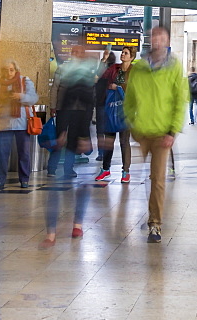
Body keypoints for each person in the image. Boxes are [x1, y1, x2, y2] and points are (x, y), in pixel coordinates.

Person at [123, 26, 188, 243]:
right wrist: (132, 124)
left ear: (167, 41)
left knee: (157, 179)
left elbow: (180, 100)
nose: (158, 41)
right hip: (142, 132)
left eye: (162, 38)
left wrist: (172, 131)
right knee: (146, 178)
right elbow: (129, 98)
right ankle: (152, 213)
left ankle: (155, 224)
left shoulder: (174, 67)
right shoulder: (139, 67)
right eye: (155, 37)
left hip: (162, 134)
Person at [41, 44, 96, 247]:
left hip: (78, 124)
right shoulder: (65, 70)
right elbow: (57, 90)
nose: (77, 56)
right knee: (60, 149)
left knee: (81, 184)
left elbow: (90, 103)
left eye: (80, 52)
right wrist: (54, 108)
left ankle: (76, 224)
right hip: (66, 119)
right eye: (75, 52)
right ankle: (54, 168)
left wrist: (88, 132)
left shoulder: (86, 75)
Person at [0, 60, 38, 190]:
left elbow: (33, 98)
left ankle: (24, 179)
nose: (8, 73)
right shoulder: (0, 84)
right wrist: (2, 98)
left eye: (11, 69)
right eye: (6, 70)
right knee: (2, 153)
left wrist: (20, 96)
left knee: (24, 153)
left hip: (21, 123)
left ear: (16, 70)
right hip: (4, 122)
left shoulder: (24, 81)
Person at [96, 47, 134, 182]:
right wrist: (104, 60)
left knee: (124, 141)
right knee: (109, 141)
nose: (122, 55)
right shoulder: (114, 68)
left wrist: (118, 87)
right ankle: (105, 169)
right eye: (122, 53)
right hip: (112, 109)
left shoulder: (134, 72)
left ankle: (126, 171)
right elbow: (99, 77)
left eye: (126, 53)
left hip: (126, 110)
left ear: (131, 57)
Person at [94, 50, 116, 161]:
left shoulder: (109, 71)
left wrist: (103, 60)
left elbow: (97, 77)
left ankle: (101, 153)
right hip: (108, 103)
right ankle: (105, 153)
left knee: (101, 130)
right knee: (107, 130)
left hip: (102, 102)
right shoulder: (114, 71)